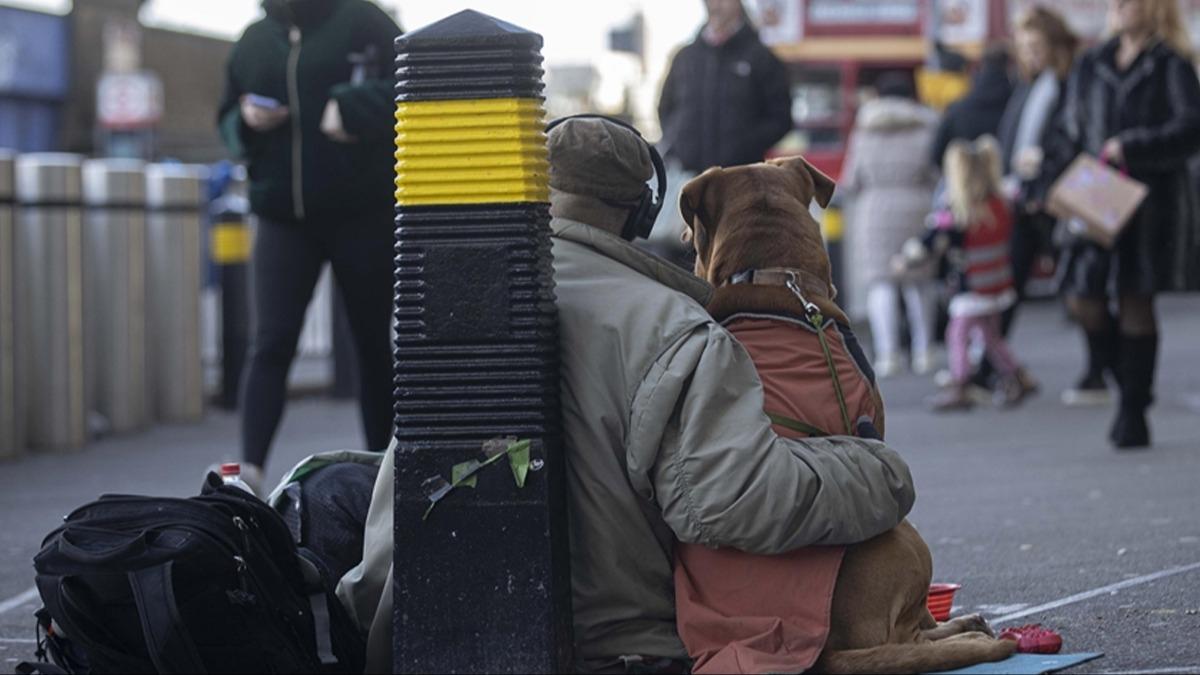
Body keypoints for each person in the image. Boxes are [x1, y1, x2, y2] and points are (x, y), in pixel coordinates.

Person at [336, 118, 916, 672]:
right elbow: (736, 503)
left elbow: (397, 512)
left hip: (430, 643)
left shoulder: (455, 308)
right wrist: (879, 471)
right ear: (640, 214)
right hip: (617, 651)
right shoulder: (677, 328)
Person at [217, 0, 401, 490]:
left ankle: (383, 476)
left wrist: (356, 106)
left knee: (370, 344)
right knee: (272, 341)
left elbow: (414, 89)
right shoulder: (254, 40)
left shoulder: (365, 21)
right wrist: (245, 119)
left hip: (362, 213)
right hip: (282, 217)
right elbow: (226, 120)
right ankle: (249, 472)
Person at [1042, 0, 1200, 448]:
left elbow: (1191, 128)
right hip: (1093, 194)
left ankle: (1133, 409)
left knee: (1135, 299)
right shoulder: (1092, 62)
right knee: (1081, 297)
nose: (1120, 7)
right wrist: (1051, 174)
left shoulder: (1171, 64)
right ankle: (1130, 382)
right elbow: (1067, 126)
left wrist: (1132, 146)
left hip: (1150, 204)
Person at [898, 137, 1038, 411]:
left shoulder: (958, 212)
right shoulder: (1001, 203)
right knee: (990, 335)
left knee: (957, 334)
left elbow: (929, 242)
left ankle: (960, 384)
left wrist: (904, 260)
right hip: (998, 281)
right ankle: (1018, 375)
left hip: (971, 286)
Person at [985, 6, 1080, 392]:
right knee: (1007, 281)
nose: (1030, 54)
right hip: (1025, 197)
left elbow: (1072, 136)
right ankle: (986, 365)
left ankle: (1104, 366)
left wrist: (1044, 161)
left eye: (1037, 45)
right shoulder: (1028, 85)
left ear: (1055, 44)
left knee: (1078, 287)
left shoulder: (1069, 83)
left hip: (1057, 196)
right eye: (1024, 46)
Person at [841, 72, 941, 377]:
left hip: (875, 209)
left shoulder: (865, 130)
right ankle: (924, 351)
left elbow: (852, 179)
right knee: (918, 282)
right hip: (917, 205)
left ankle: (888, 354)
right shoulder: (926, 128)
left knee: (881, 283)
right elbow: (935, 174)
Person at [657, 0, 793, 173]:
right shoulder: (685, 58)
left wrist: (744, 146)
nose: (715, 5)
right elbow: (665, 109)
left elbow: (781, 119)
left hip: (738, 180)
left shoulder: (763, 59)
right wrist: (678, 143)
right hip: (687, 179)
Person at [930, 47, 1015, 169]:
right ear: (1010, 67)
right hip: (1002, 179)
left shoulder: (957, 109)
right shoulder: (1016, 105)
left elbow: (937, 156)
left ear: (982, 67)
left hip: (963, 179)